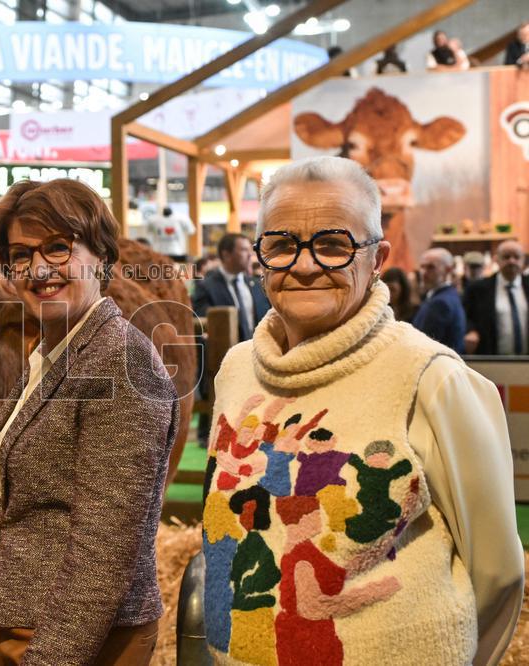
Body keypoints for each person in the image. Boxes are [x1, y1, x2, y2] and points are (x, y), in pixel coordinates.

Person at [203, 155, 522, 666]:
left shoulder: (431, 378)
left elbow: (496, 572)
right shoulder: (237, 369)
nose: (305, 265)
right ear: (259, 257)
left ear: (377, 259)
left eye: (334, 245)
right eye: (281, 245)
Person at [0, 178, 179, 665]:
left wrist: (49, 659)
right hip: (36, 623)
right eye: (21, 255)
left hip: (79, 638)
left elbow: (104, 549)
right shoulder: (53, 351)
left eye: (58, 248)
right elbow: (36, 492)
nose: (39, 268)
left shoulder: (119, 362)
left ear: (100, 257)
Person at [192, 233, 270, 342]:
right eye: (244, 250)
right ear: (226, 255)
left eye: (250, 250)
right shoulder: (206, 287)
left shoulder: (257, 285)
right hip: (225, 350)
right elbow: (203, 323)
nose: (250, 255)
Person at [464, 240, 528, 355]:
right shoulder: (477, 289)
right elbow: (465, 316)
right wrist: (471, 331)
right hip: (493, 359)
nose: (512, 261)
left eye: (516, 257)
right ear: (496, 260)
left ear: (523, 260)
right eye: (506, 257)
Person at [412, 247, 466, 353]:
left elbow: (424, 346)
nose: (424, 273)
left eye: (431, 267)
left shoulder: (440, 303)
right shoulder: (447, 295)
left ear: (448, 270)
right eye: (422, 267)